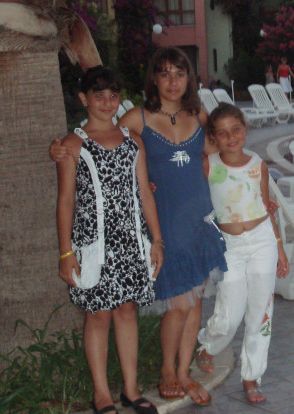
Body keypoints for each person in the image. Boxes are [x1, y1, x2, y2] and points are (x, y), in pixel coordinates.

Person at [51, 48, 227, 406]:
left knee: (187, 304)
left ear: (189, 79)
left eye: (180, 73)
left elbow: (221, 146)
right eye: (165, 73)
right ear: (154, 80)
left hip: (186, 222)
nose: (173, 81)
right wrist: (58, 149)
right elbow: (92, 151)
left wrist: (255, 187)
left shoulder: (195, 115)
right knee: (165, 307)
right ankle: (159, 374)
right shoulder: (133, 120)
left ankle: (169, 376)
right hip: (145, 227)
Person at [55, 66, 163, 414]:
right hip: (94, 245)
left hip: (131, 242)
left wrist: (157, 240)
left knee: (127, 310)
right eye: (98, 95)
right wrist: (66, 253)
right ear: (84, 99)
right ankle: (101, 393)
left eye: (113, 95)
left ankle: (131, 389)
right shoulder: (73, 145)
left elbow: (144, 192)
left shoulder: (133, 141)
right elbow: (66, 200)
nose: (106, 102)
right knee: (98, 314)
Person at [195, 103, 290, 404]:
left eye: (236, 130)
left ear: (245, 130)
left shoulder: (258, 164)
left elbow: (266, 206)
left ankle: (252, 376)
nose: (231, 137)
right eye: (222, 133)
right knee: (230, 312)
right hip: (229, 247)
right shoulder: (208, 165)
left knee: (261, 311)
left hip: (262, 241)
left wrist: (279, 247)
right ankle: (208, 344)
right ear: (213, 137)